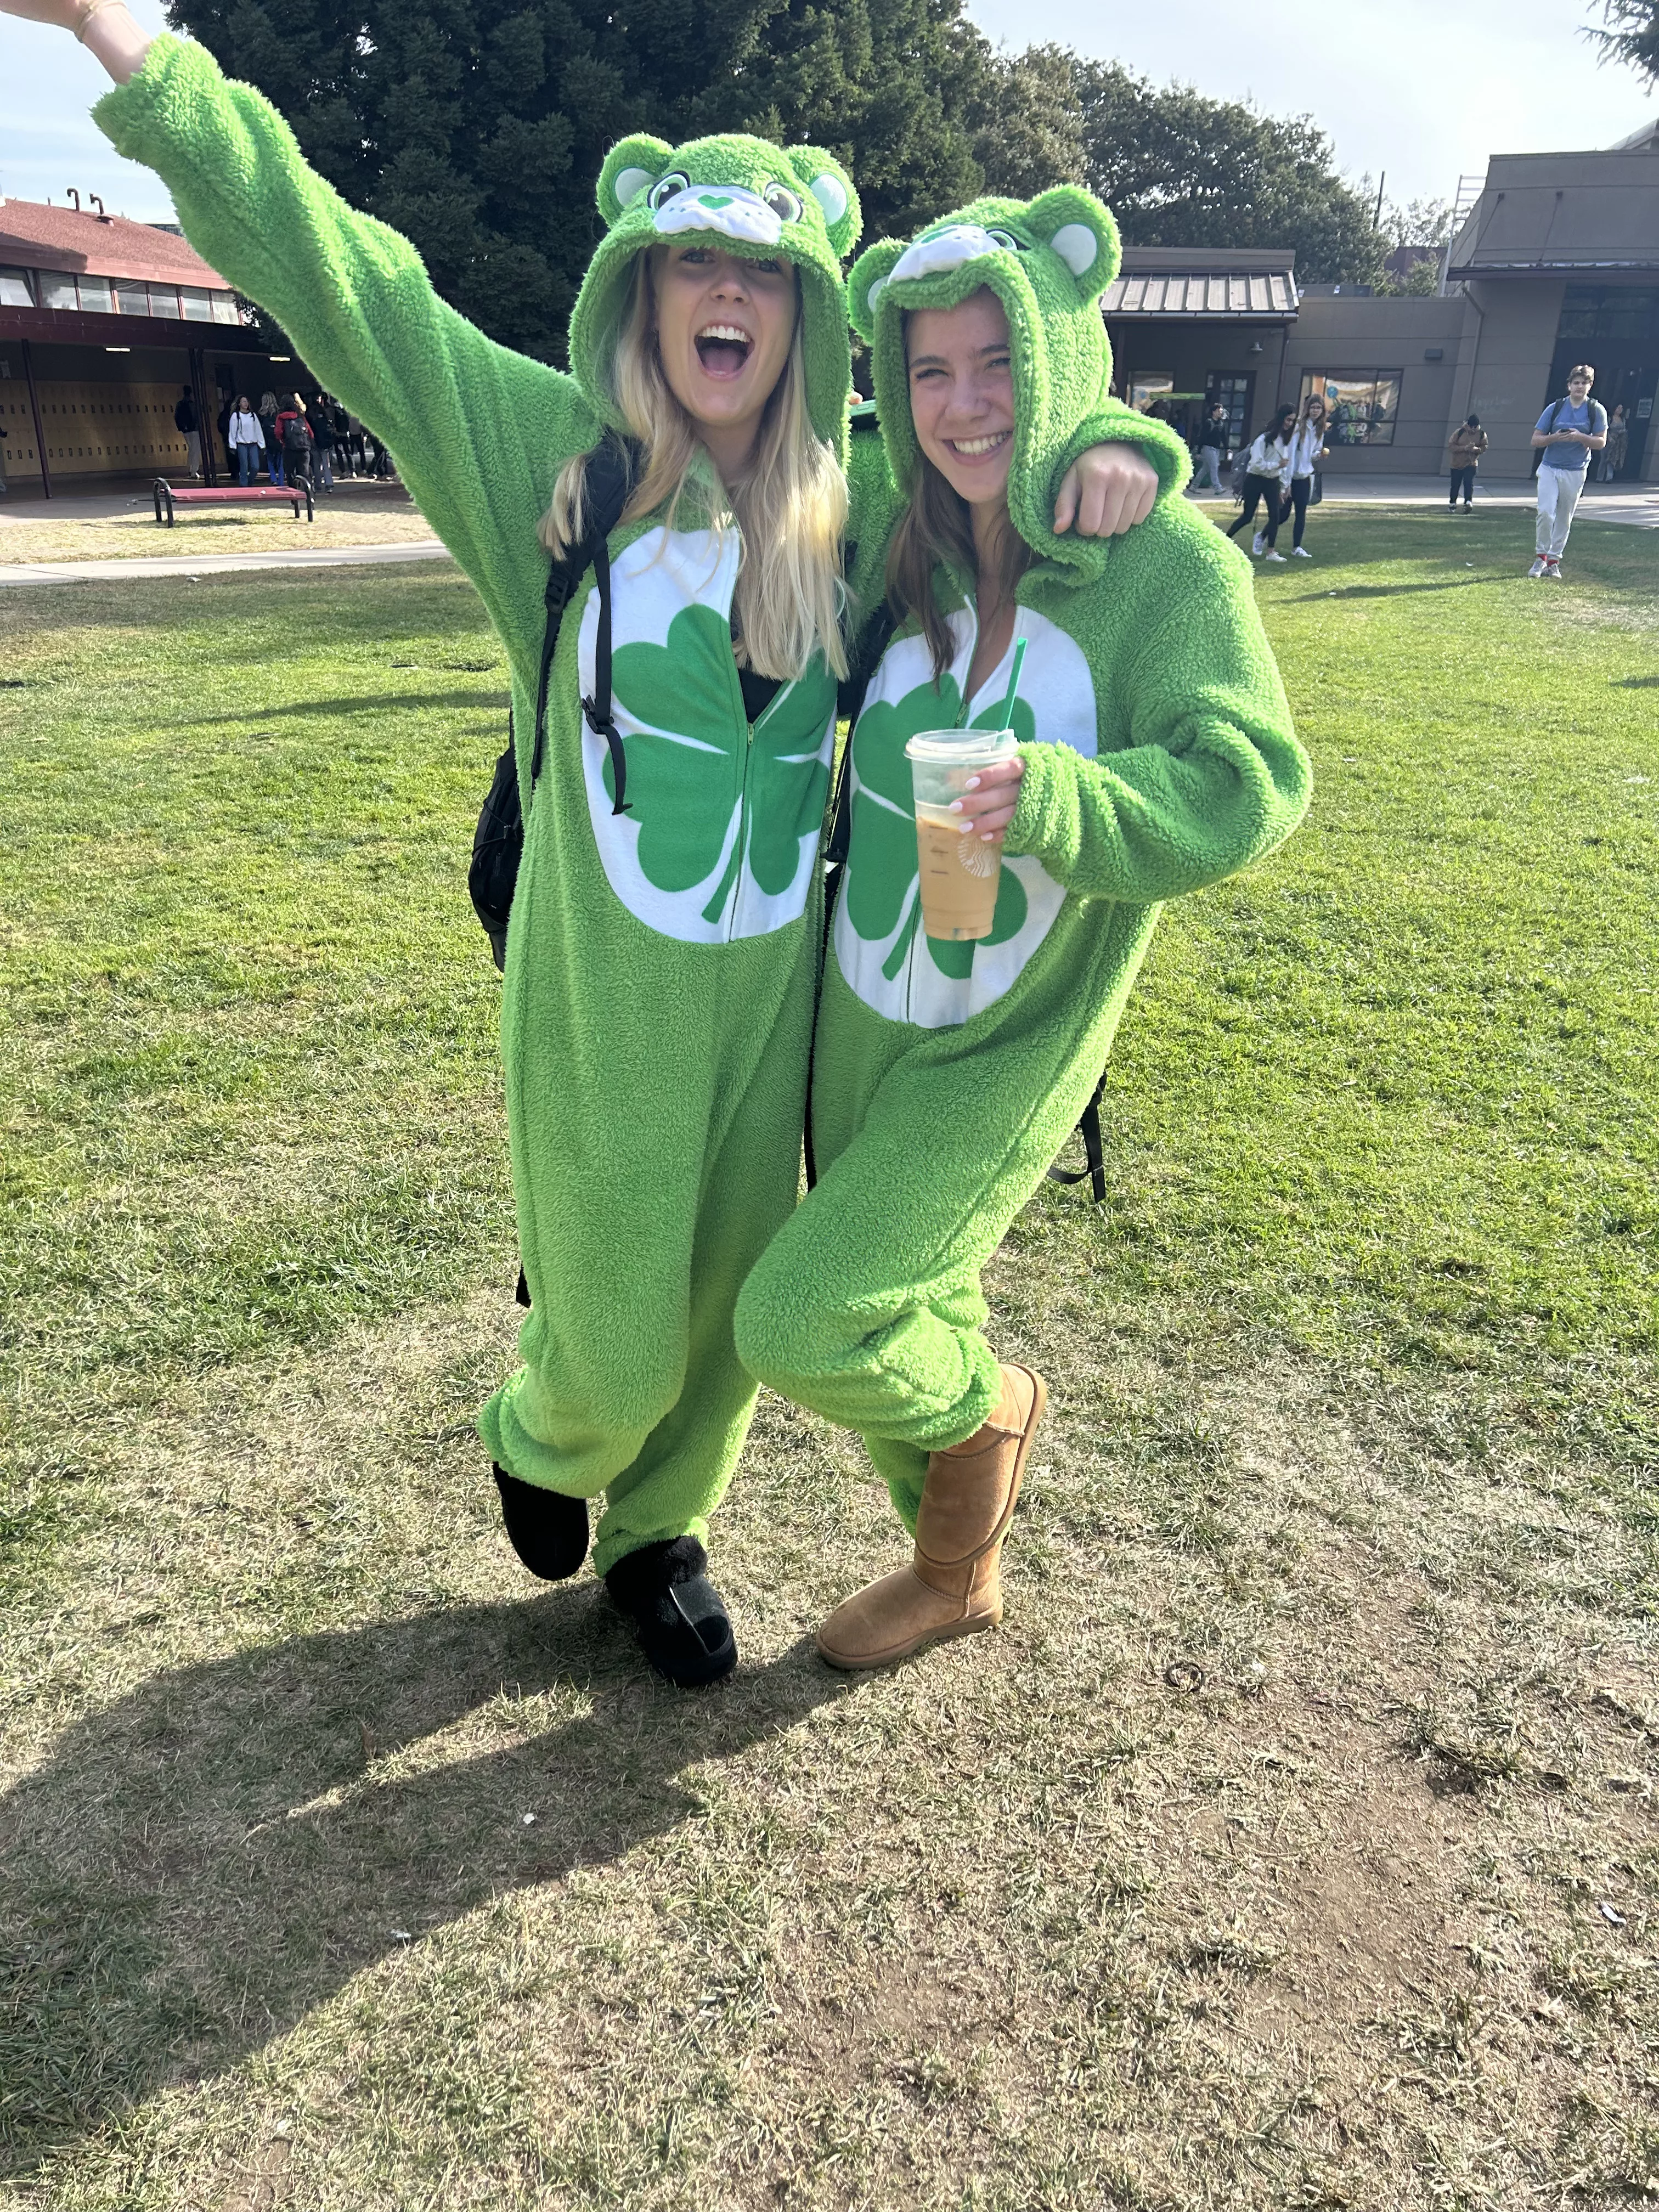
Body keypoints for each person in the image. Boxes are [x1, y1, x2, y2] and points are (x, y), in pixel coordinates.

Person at [31, 0, 1179, 1685]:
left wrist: (1120, 457)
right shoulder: (543, 464)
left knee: (722, 1325)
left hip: (773, 1013)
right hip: (604, 1008)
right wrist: (122, 42)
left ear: (798, 311)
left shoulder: (844, 505)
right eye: (692, 260)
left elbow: (991, 450)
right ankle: (544, 1427)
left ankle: (659, 1541)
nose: (727, 292)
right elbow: (355, 293)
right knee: (619, 1334)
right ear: (641, 288)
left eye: (763, 269)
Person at [733, 190, 1310, 1669]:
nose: (964, 405)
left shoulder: (1167, 565)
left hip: (1006, 1040)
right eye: (928, 370)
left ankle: (996, 1420)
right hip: (860, 1002)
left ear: (1056, 351)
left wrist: (1054, 795)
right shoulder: (892, 538)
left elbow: (1245, 791)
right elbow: (759, 453)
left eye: (999, 364)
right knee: (906, 1295)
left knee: (806, 1319)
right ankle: (954, 1571)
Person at [1530, 363, 1606, 579]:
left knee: (1565, 516)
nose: (1579, 387)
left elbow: (1601, 442)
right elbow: (1536, 439)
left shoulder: (1595, 410)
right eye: (1576, 383)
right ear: (1569, 385)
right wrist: (1556, 438)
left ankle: (1554, 561)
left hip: (1576, 470)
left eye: (1584, 383)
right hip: (1550, 467)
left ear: (1590, 386)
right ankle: (1541, 557)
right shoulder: (1555, 408)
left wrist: (1580, 437)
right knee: (1545, 512)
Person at [1224, 406, 1295, 557]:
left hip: (1272, 481)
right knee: (1247, 516)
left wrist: (1284, 486)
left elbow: (1283, 466)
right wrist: (1276, 465)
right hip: (1255, 479)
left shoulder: (1285, 441)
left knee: (1275, 516)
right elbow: (1256, 464)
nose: (1290, 424)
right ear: (1281, 418)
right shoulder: (1263, 439)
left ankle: (1271, 552)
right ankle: (1225, 540)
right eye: (1288, 419)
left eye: (1292, 421)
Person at [1273, 391, 1329, 558]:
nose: (1315, 411)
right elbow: (1289, 454)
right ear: (1307, 409)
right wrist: (1286, 483)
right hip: (1292, 477)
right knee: (1283, 515)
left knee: (1301, 514)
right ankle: (1262, 537)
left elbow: (1314, 452)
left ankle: (1297, 547)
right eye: (1313, 407)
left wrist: (1319, 455)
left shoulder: (1319, 429)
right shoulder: (1298, 426)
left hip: (1305, 477)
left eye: (1319, 408)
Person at [272, 390, 314, 483]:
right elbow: (310, 433)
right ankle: (309, 493)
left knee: (290, 472)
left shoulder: (281, 417)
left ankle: (294, 495)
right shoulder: (300, 415)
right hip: (303, 448)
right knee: (304, 473)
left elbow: (278, 432)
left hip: (289, 448)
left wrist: (282, 441)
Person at [1447, 414, 1487, 510]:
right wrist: (1464, 448)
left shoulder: (1482, 434)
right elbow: (1451, 446)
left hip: (1471, 463)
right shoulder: (1459, 432)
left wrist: (1476, 450)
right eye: (1471, 426)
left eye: (1475, 426)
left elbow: (1484, 447)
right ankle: (1453, 503)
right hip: (1457, 464)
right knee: (1455, 484)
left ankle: (1468, 502)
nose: (1473, 428)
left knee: (1469, 483)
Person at [1192, 399, 1229, 495]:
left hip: (1216, 449)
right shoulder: (1208, 422)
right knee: (1214, 466)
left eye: (1221, 411)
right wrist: (1199, 451)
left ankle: (1193, 487)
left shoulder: (1221, 424)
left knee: (1205, 469)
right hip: (1208, 448)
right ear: (1213, 412)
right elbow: (1202, 437)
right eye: (1218, 411)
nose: (1220, 413)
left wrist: (1227, 448)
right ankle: (1218, 488)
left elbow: (1224, 437)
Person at [226, 392, 263, 484]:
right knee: (244, 467)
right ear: (239, 404)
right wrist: (233, 446)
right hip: (242, 444)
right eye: (243, 402)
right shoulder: (236, 416)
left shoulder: (253, 415)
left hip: (253, 444)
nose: (245, 403)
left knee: (255, 467)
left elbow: (258, 430)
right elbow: (232, 431)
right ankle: (244, 486)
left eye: (246, 401)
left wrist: (262, 444)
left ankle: (250, 481)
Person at [306, 391, 336, 489]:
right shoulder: (323, 412)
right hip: (324, 441)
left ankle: (318, 484)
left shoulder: (309, 415)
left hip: (314, 440)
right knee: (326, 463)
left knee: (316, 463)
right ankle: (329, 483)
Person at [173, 383, 201, 475]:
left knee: (192, 448)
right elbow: (196, 417)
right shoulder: (192, 404)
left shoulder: (180, 404)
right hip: (194, 429)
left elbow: (177, 417)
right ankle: (193, 470)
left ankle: (191, 468)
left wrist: (182, 427)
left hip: (186, 430)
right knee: (195, 449)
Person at [257, 388, 283, 484]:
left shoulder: (261, 414)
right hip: (278, 439)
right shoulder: (279, 413)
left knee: (270, 460)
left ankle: (273, 478)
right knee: (280, 461)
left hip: (267, 440)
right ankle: (281, 480)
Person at [1600, 402, 1628, 483]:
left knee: (1612, 459)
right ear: (1615, 408)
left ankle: (1609, 477)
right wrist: (1610, 438)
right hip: (1609, 440)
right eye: (1619, 408)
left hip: (1618, 441)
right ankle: (1600, 477)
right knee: (1604, 459)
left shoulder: (1623, 419)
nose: (1620, 410)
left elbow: (1625, 428)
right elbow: (1605, 429)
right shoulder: (1610, 418)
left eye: (1622, 408)